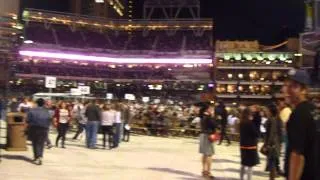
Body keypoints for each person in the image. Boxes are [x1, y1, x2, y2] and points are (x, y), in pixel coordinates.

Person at [283, 69, 319, 180]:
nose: (287, 90)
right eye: (286, 86)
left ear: (304, 90)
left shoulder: (298, 114)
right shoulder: (314, 110)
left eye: (293, 86)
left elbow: (297, 155)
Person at [26, 98, 51, 165]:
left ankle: (37, 157)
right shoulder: (47, 111)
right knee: (41, 143)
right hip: (44, 128)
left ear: (36, 103)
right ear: (43, 104)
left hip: (34, 128)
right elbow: (49, 119)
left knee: (35, 143)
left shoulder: (32, 110)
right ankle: (40, 156)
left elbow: (27, 120)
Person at [239, 108, 259, 180]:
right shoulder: (250, 123)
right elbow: (256, 134)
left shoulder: (241, 122)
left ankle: (241, 178)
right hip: (251, 146)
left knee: (243, 164)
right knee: (250, 166)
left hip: (243, 145)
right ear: (249, 114)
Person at [264, 103, 283, 179]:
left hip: (272, 145)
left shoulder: (272, 119)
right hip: (276, 144)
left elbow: (272, 133)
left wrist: (267, 145)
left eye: (267, 110)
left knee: (272, 164)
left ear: (270, 111)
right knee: (273, 163)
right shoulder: (277, 119)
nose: (266, 111)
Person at [198, 103, 217, 179]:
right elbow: (215, 125)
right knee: (209, 155)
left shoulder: (202, 116)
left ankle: (204, 170)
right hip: (209, 136)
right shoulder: (208, 117)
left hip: (203, 135)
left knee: (205, 154)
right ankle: (208, 173)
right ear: (207, 109)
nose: (212, 109)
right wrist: (212, 116)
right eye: (211, 108)